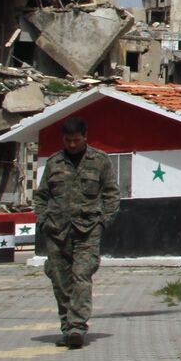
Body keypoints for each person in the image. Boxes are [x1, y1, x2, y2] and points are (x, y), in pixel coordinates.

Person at [33, 117, 120, 348]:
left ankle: (77, 328)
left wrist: (103, 221)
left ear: (85, 137)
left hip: (87, 231)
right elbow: (41, 195)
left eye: (76, 140)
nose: (72, 144)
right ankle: (67, 327)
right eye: (67, 140)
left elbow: (112, 194)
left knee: (81, 276)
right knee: (60, 281)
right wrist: (42, 220)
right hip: (56, 231)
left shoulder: (99, 161)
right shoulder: (54, 163)